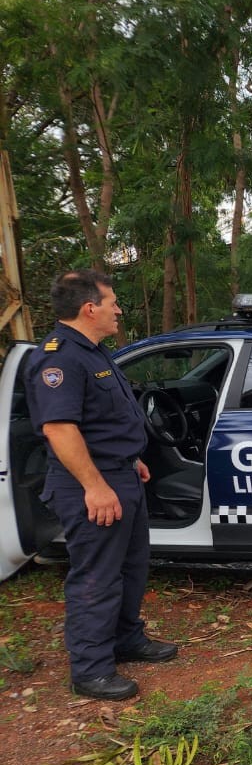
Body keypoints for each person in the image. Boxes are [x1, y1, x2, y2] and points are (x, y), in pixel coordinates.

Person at [25, 270, 179, 702]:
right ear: (89, 308)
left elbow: (104, 421)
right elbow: (60, 429)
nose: (119, 310)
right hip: (90, 484)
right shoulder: (60, 359)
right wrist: (95, 486)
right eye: (113, 302)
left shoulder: (95, 353)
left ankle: (126, 639)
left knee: (131, 567)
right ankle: (90, 669)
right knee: (97, 575)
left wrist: (132, 461)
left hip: (120, 474)